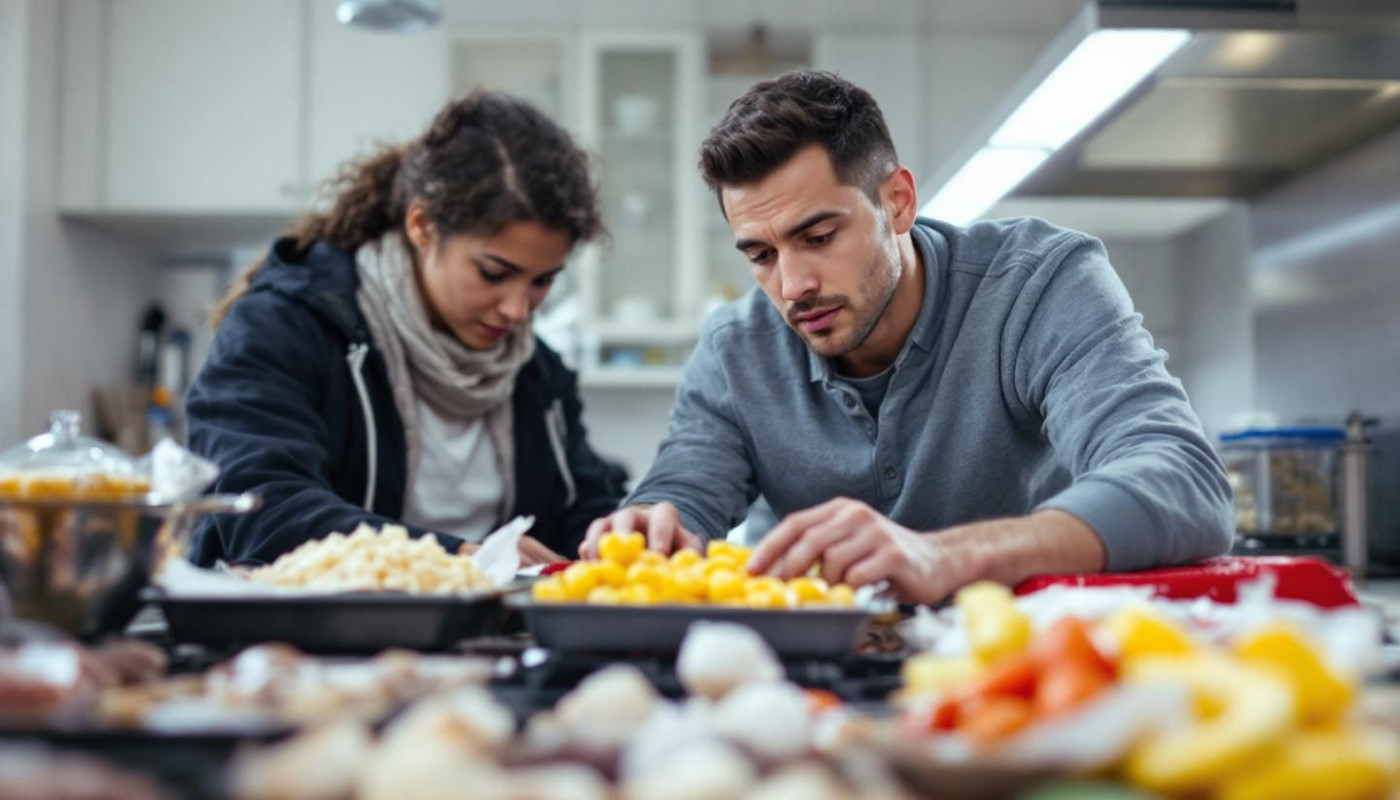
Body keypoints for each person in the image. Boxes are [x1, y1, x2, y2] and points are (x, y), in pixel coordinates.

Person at [581, 70, 1232, 604]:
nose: (792, 285)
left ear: (896, 202)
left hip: (1019, 656)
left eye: (818, 238)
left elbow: (1182, 478)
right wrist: (654, 521)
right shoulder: (733, 349)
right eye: (760, 254)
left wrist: (945, 555)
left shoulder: (1039, 286)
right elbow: (684, 490)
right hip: (810, 679)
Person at [187, 91, 625, 567]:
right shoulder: (284, 327)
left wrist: (616, 536)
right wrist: (458, 559)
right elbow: (262, 510)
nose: (518, 310)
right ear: (422, 225)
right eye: (493, 273)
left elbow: (581, 510)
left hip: (482, 638)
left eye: (542, 281)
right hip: (298, 637)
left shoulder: (540, 374)